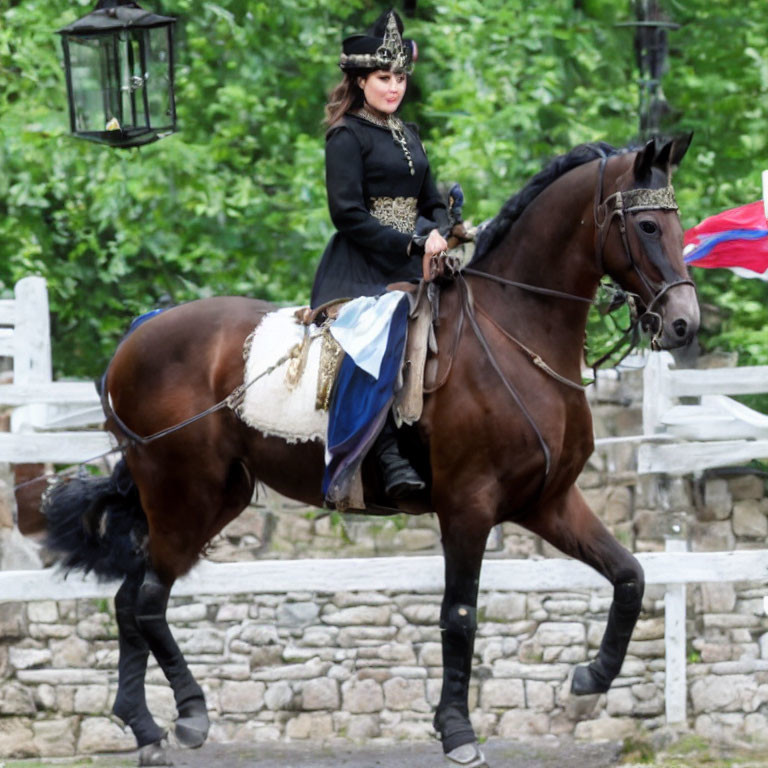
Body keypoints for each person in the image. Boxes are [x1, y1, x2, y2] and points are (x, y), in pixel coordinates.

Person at [311, 8, 450, 500]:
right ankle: (385, 455)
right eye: (383, 78)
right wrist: (413, 240)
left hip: (416, 261)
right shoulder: (345, 135)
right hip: (359, 268)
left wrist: (440, 230)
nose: (394, 87)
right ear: (361, 81)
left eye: (400, 79)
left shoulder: (410, 135)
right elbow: (346, 214)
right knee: (382, 330)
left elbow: (432, 202)